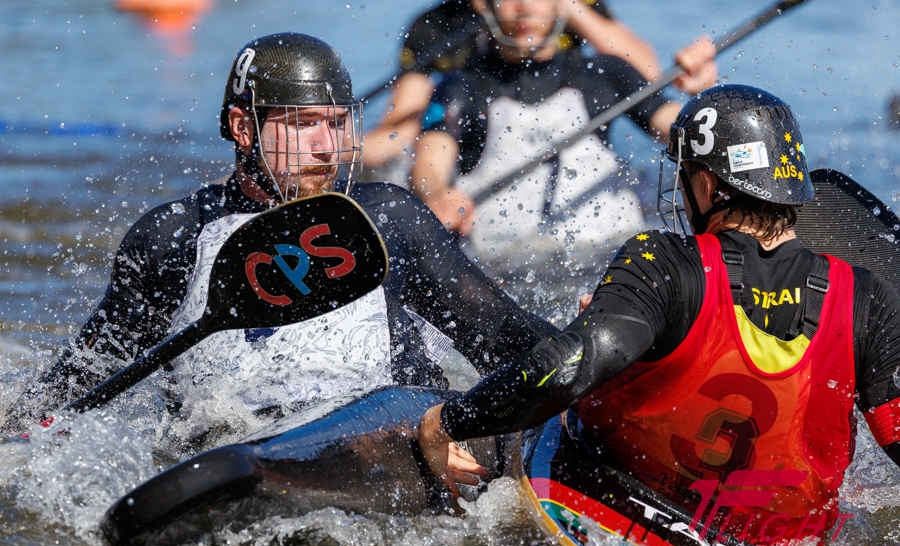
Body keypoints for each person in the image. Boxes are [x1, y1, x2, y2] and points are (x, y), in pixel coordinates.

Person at [417, 84, 900, 546]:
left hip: (630, 518)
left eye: (686, 175)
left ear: (707, 186)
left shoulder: (663, 262)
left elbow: (564, 369)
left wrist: (445, 423)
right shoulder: (869, 297)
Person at [8, 32, 556, 436]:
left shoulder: (389, 219)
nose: (326, 146)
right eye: (302, 124)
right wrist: (17, 428)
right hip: (231, 460)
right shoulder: (173, 237)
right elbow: (83, 376)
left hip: (389, 439)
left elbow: (507, 340)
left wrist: (589, 349)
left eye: (336, 122)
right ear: (243, 128)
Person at [408, 0, 718, 319]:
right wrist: (437, 193)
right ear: (485, 6)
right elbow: (430, 160)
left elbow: (683, 132)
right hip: (509, 273)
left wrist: (704, 101)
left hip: (614, 263)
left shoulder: (606, 73)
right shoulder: (460, 87)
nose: (525, 7)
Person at [363, 0, 665, 175]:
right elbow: (402, 126)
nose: (523, 9)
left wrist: (561, 6)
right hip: (475, 140)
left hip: (567, 126)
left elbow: (646, 74)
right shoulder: (435, 27)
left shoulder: (564, 7)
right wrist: (348, 148)